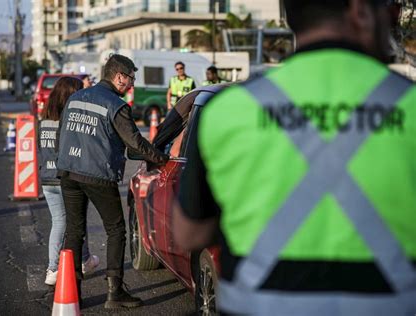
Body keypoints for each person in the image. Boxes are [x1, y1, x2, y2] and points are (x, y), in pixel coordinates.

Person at [173, 0, 416, 315]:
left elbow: (188, 233)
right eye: (388, 6)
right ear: (359, 10)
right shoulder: (408, 104)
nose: (393, 14)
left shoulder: (230, 109)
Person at [57, 54, 169, 309]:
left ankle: (72, 292)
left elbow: (62, 134)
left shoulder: (75, 98)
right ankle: (115, 292)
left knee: (74, 231)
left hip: (68, 172)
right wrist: (161, 159)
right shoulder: (115, 105)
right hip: (97, 174)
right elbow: (136, 143)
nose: (131, 85)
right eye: (130, 78)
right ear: (119, 76)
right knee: (116, 230)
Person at [37, 76, 100, 286]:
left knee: (62, 223)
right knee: (72, 222)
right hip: (66, 178)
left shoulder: (44, 119)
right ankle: (54, 268)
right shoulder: (69, 119)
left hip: (47, 179)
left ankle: (83, 260)